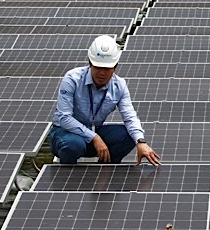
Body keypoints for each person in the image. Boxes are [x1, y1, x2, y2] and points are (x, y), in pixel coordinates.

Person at [50, 35, 161, 165]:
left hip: (93, 132)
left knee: (129, 136)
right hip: (66, 134)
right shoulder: (72, 79)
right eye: (97, 67)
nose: (102, 73)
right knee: (73, 145)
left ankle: (106, 172)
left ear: (115, 67)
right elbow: (64, 118)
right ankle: (66, 176)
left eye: (107, 68)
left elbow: (130, 117)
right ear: (90, 63)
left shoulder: (119, 85)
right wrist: (95, 137)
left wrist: (140, 142)